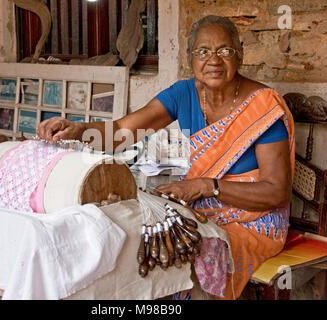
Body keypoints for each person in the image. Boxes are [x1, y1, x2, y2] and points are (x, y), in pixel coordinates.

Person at [37, 15, 295, 300]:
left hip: (254, 221)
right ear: (189, 58)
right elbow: (124, 130)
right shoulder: (183, 93)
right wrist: (80, 129)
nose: (214, 60)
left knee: (192, 257)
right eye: (203, 51)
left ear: (240, 54)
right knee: (141, 241)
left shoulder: (262, 107)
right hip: (200, 209)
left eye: (224, 50)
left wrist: (206, 186)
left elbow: (276, 192)